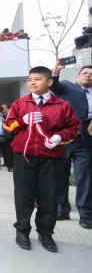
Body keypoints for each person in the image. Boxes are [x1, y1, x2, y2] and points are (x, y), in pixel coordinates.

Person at [3, 66, 80, 252]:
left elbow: (74, 129)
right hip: (24, 157)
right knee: (23, 196)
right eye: (30, 79)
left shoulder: (62, 106)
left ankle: (46, 233)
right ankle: (22, 230)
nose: (32, 83)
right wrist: (23, 120)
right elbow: (7, 126)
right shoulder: (20, 104)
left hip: (51, 158)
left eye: (37, 79)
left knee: (49, 197)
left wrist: (60, 137)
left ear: (50, 82)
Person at [51, 62, 92, 229]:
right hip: (65, 139)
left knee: (84, 178)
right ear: (78, 76)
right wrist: (55, 72)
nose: (88, 75)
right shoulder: (67, 87)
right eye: (85, 72)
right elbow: (55, 86)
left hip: (86, 141)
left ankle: (86, 214)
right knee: (61, 176)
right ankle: (62, 210)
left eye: (91, 73)